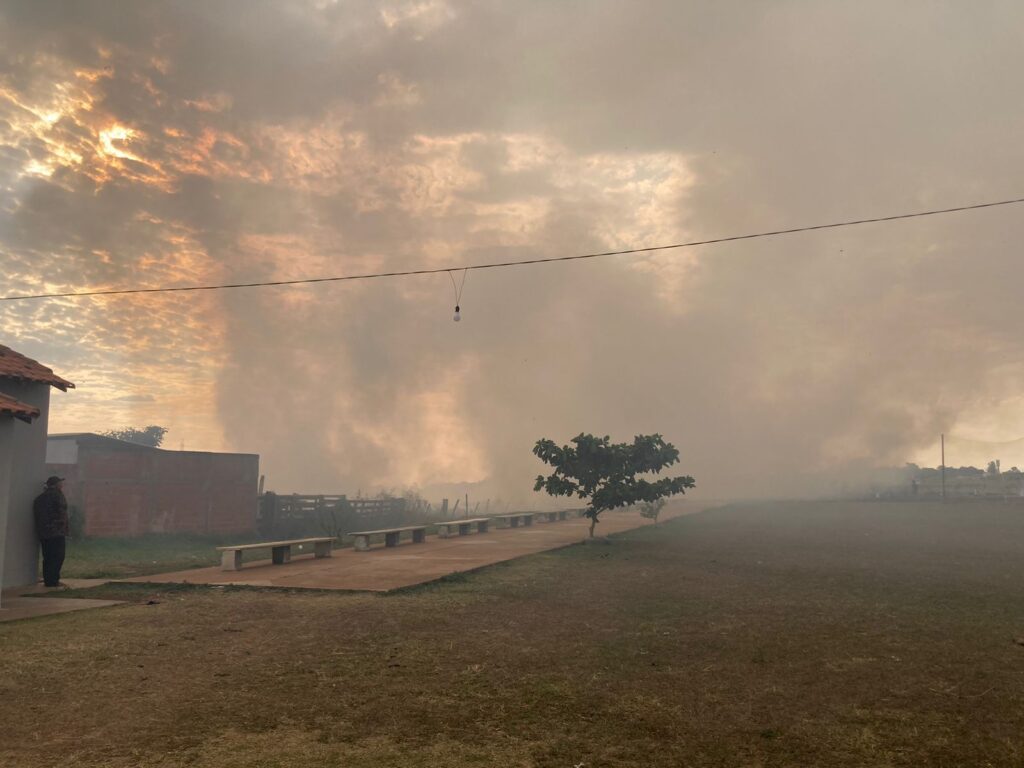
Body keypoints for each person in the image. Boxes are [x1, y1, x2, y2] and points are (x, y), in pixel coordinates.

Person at [33, 476, 69, 588]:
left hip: (44, 533)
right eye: (60, 483)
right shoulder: (57, 495)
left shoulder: (39, 498)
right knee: (58, 556)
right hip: (56, 532)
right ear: (56, 484)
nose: (62, 485)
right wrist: (64, 528)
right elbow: (62, 511)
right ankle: (53, 581)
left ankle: (48, 580)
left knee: (47, 557)